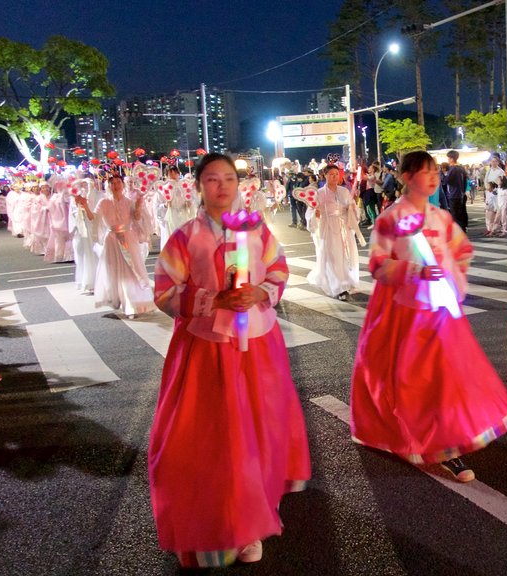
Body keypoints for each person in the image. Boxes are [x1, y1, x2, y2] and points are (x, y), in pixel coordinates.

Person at [149, 153, 310, 569]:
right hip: (207, 348)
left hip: (257, 343)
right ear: (199, 185)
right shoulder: (185, 237)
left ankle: (253, 522)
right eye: (212, 179)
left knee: (257, 428)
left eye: (229, 179)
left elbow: (278, 269)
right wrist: (213, 299)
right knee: (215, 436)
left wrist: (260, 292)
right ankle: (218, 518)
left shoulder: (256, 229)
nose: (222, 186)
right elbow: (166, 292)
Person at [350, 150, 507, 483]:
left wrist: (452, 276)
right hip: (406, 313)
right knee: (413, 382)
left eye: (435, 172)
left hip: (442, 313)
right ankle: (427, 442)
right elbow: (378, 265)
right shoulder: (390, 219)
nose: (433, 177)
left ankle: (447, 444)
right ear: (405, 177)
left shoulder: (441, 217)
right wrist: (414, 270)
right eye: (424, 172)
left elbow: (462, 250)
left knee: (448, 379)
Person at [74, 174, 156, 317]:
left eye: (118, 182)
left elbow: (136, 218)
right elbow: (94, 218)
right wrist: (85, 205)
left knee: (133, 269)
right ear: (109, 186)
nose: (116, 185)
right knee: (118, 271)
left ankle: (135, 302)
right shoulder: (104, 202)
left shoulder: (129, 201)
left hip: (128, 238)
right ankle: (126, 302)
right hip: (112, 239)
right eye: (113, 183)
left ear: (123, 185)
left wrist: (138, 207)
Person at [306, 164, 361, 301]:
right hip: (327, 226)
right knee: (332, 255)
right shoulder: (319, 193)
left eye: (337, 174)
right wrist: (315, 214)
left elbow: (352, 207)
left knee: (346, 254)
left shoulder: (344, 191)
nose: (334, 177)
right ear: (325, 175)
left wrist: (352, 209)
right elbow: (311, 211)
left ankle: (347, 280)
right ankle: (338, 286)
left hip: (344, 226)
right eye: (331, 174)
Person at [444, 150, 469, 232]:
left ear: (451, 158)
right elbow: (465, 181)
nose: (448, 160)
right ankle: (463, 229)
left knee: (455, 215)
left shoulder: (453, 169)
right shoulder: (461, 168)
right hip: (461, 194)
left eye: (448, 158)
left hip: (453, 194)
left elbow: (446, 181)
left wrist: (442, 174)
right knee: (461, 213)